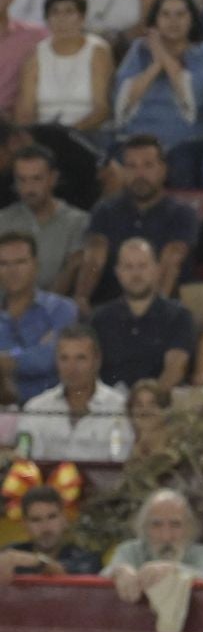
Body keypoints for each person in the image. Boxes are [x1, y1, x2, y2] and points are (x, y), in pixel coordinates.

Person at [110, 0, 203, 192]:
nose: (174, 21)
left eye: (181, 14)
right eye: (166, 14)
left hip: (186, 141)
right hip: (137, 139)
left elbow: (195, 98)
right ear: (156, 20)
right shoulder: (140, 50)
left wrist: (161, 53)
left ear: (192, 19)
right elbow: (123, 100)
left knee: (181, 165)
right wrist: (156, 64)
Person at [74, 135, 196, 309]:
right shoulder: (105, 211)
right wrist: (82, 298)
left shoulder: (181, 213)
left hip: (165, 308)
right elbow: (94, 257)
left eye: (148, 165)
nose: (140, 174)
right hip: (108, 308)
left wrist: (153, 310)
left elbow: (171, 261)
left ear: (163, 169)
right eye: (131, 166)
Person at [91, 235, 197, 389]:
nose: (136, 274)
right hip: (109, 405)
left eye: (142, 266)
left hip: (159, 406)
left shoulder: (179, 316)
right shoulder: (99, 319)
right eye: (128, 267)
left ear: (156, 269)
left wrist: (146, 405)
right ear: (118, 272)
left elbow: (175, 369)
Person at [16, 322, 130, 461]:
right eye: (64, 358)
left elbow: (119, 462)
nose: (71, 368)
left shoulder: (119, 408)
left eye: (80, 358)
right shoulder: (36, 408)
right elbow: (25, 462)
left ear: (97, 360)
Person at [15, 0, 112, 143]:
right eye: (55, 13)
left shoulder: (97, 50)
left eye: (69, 12)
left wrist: (68, 134)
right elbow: (25, 110)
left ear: (82, 18)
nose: (62, 19)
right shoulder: (35, 54)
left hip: (86, 133)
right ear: (47, 19)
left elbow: (101, 109)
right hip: (43, 134)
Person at [107, 487, 203, 600]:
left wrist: (174, 571)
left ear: (189, 529)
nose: (166, 536)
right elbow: (101, 579)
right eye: (156, 525)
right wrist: (118, 572)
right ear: (144, 528)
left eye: (175, 525)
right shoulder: (129, 550)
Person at [0, 229, 76, 401]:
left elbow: (49, 359)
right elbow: (40, 357)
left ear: (35, 265)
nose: (12, 271)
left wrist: (6, 361)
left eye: (20, 262)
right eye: (3, 264)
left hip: (50, 413)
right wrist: (33, 352)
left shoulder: (61, 309)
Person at [0, 144, 86, 294]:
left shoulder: (77, 222)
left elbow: (73, 270)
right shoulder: (3, 220)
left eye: (36, 179)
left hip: (54, 310)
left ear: (53, 178)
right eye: (22, 180)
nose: (29, 188)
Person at [0, 481, 102, 580]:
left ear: (64, 520)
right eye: (36, 520)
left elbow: (62, 574)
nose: (45, 527)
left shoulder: (86, 559)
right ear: (25, 525)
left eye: (52, 517)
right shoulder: (11, 554)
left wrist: (38, 562)